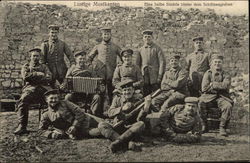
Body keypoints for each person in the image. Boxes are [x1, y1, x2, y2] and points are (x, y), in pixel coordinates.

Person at [97, 79, 152, 153]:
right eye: (125, 90)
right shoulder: (117, 99)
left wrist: (146, 107)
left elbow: (140, 119)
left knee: (141, 124)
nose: (127, 92)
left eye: (129, 89)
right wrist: (121, 109)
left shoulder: (138, 100)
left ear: (133, 90)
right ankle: (126, 143)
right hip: (118, 127)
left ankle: (117, 143)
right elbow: (110, 112)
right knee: (101, 125)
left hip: (130, 129)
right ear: (122, 92)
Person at [14, 48, 52, 135]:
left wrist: (34, 77)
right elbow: (26, 77)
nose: (35, 58)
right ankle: (22, 126)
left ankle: (51, 125)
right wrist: (39, 74)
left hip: (44, 89)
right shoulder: (26, 66)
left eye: (37, 56)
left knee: (53, 100)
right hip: (31, 89)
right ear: (30, 57)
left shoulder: (44, 67)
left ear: (40, 57)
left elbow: (49, 77)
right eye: (34, 56)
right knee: (23, 99)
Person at [38, 89, 104, 139]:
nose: (54, 100)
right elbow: (41, 130)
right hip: (81, 130)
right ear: (46, 100)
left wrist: (74, 125)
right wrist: (51, 134)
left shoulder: (65, 103)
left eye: (55, 98)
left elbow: (80, 112)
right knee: (101, 131)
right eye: (51, 98)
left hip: (87, 119)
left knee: (106, 123)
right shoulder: (45, 114)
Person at [199, 53, 233, 136]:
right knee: (200, 103)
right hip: (208, 97)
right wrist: (219, 87)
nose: (217, 64)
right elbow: (204, 88)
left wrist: (212, 84)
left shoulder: (226, 74)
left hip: (222, 97)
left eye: (219, 62)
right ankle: (204, 125)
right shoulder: (208, 73)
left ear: (222, 63)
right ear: (212, 64)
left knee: (228, 106)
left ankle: (222, 127)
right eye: (215, 62)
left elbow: (226, 86)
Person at [62, 51, 104, 117]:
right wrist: (66, 84)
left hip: (88, 93)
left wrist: (100, 86)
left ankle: (93, 115)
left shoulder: (90, 69)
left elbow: (96, 80)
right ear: (76, 59)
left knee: (97, 97)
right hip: (75, 93)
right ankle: (69, 115)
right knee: (67, 97)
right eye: (80, 59)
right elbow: (65, 81)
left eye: (83, 59)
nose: (82, 60)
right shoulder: (71, 69)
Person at [88, 27, 122, 103]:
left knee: (112, 92)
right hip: (100, 74)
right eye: (104, 34)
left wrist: (121, 67)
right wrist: (91, 67)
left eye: (107, 34)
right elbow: (89, 58)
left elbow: (123, 56)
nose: (106, 36)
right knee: (100, 93)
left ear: (110, 35)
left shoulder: (115, 47)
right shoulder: (98, 46)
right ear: (102, 35)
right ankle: (100, 113)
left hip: (112, 74)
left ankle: (112, 109)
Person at [136, 30, 165, 96]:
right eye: (145, 37)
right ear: (143, 38)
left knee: (155, 93)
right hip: (144, 75)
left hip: (155, 76)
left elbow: (162, 62)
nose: (147, 38)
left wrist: (160, 76)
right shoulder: (140, 50)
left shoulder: (157, 48)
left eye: (149, 37)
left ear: (152, 37)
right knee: (145, 93)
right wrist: (139, 76)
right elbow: (137, 64)